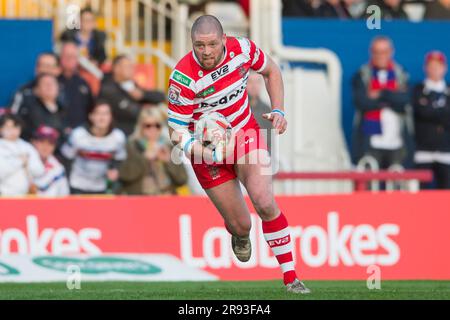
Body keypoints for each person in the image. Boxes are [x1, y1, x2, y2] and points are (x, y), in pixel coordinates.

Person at [167, 15, 310, 294]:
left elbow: (271, 71)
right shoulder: (182, 78)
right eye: (199, 46)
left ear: (223, 39)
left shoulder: (242, 49)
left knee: (265, 202)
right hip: (205, 151)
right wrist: (201, 151)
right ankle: (240, 235)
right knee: (241, 224)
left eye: (211, 44)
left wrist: (279, 110)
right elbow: (176, 131)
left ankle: (291, 277)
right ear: (192, 44)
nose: (206, 51)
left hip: (245, 134)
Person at [352, 36, 411, 169]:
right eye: (376, 52)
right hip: (370, 142)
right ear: (371, 52)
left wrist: (380, 92)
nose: (380, 56)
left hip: (397, 142)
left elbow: (403, 101)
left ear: (391, 52)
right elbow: (362, 102)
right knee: (369, 185)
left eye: (384, 51)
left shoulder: (401, 74)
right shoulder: (362, 74)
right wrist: (392, 93)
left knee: (397, 186)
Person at [61, 101, 126, 194]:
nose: (102, 118)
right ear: (91, 116)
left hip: (101, 187)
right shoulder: (78, 135)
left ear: (111, 117)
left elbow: (119, 159)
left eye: (106, 114)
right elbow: (66, 158)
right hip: (77, 185)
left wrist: (114, 169)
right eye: (98, 113)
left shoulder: (118, 137)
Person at [119, 108, 188, 195]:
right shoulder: (131, 146)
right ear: (141, 127)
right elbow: (125, 176)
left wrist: (168, 162)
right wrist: (144, 158)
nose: (153, 129)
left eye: (157, 125)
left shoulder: (168, 146)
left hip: (167, 198)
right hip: (141, 200)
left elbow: (182, 180)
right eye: (148, 125)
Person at [99, 55, 166, 135]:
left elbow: (161, 96)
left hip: (136, 132)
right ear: (116, 68)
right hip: (118, 134)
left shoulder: (131, 85)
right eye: (128, 66)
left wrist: (143, 95)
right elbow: (131, 112)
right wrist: (146, 110)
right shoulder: (107, 88)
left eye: (132, 66)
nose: (132, 69)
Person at [412, 51, 450, 189]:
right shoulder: (417, 90)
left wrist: (430, 110)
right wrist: (442, 112)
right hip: (423, 151)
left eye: (438, 66)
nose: (434, 69)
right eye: (431, 66)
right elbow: (420, 112)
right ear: (425, 68)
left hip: (446, 151)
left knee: (446, 195)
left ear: (444, 68)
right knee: (421, 194)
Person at [0, 114, 45, 196]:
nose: (12, 131)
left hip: (26, 195)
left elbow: (40, 171)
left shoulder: (27, 146)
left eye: (16, 127)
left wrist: (27, 163)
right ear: (1, 129)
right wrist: (19, 161)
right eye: (8, 127)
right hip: (4, 195)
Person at [18, 73, 66, 142]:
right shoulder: (28, 108)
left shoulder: (63, 110)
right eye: (45, 84)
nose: (49, 86)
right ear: (36, 90)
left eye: (52, 83)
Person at [58, 41, 94, 131]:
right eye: (66, 56)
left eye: (73, 56)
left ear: (77, 60)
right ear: (60, 58)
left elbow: (90, 107)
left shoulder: (83, 83)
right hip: (59, 130)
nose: (69, 59)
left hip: (81, 131)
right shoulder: (53, 81)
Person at [31, 125, 70, 197]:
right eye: (42, 141)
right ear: (34, 142)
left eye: (50, 143)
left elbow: (64, 195)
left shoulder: (58, 168)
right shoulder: (24, 162)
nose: (45, 147)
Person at [247, 72, 273, 153]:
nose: (254, 86)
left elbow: (268, 140)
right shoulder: (238, 108)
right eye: (250, 82)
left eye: (257, 82)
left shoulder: (266, 110)